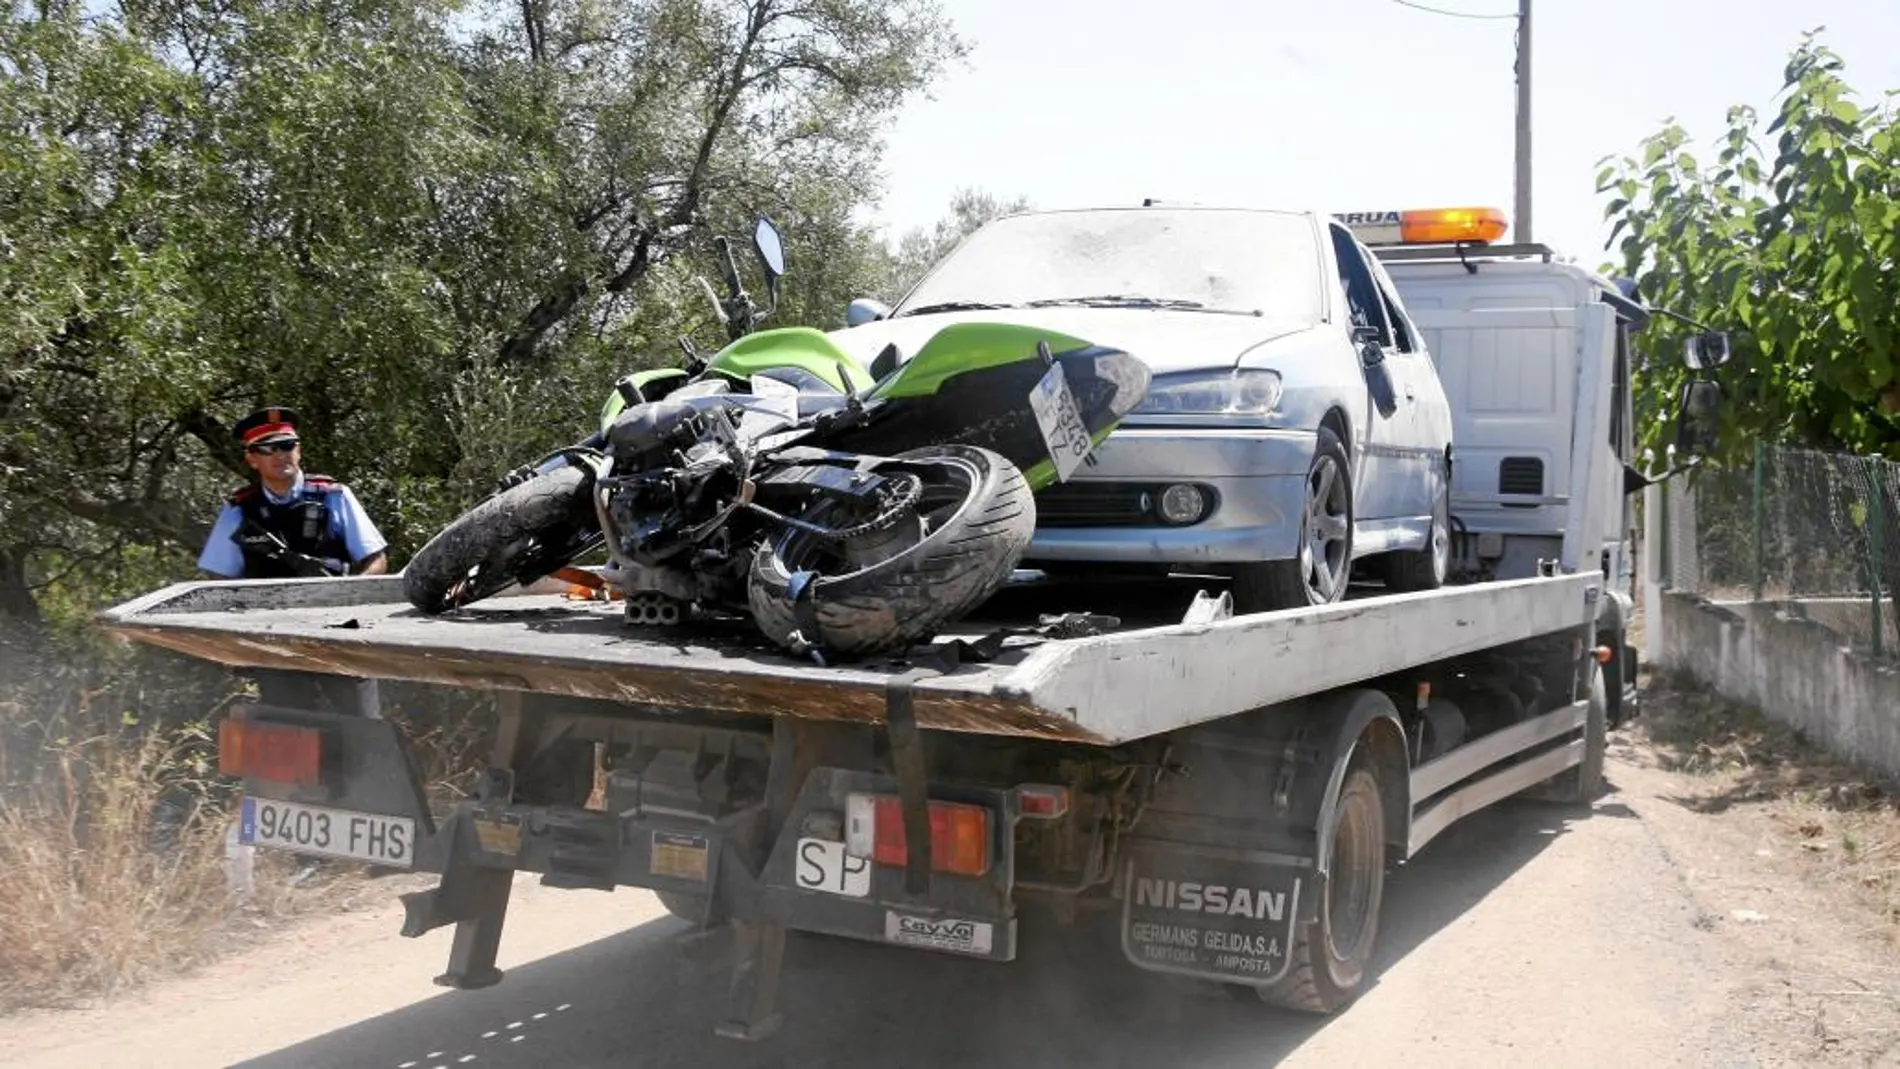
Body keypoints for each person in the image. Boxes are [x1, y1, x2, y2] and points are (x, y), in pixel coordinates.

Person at [197, 406, 390, 580]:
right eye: (267, 448)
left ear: (298, 450)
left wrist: (351, 593)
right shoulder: (238, 509)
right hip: (263, 615)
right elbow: (219, 574)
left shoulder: (334, 496)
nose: (280, 455)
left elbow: (375, 558)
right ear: (251, 458)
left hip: (331, 611)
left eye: (287, 445)